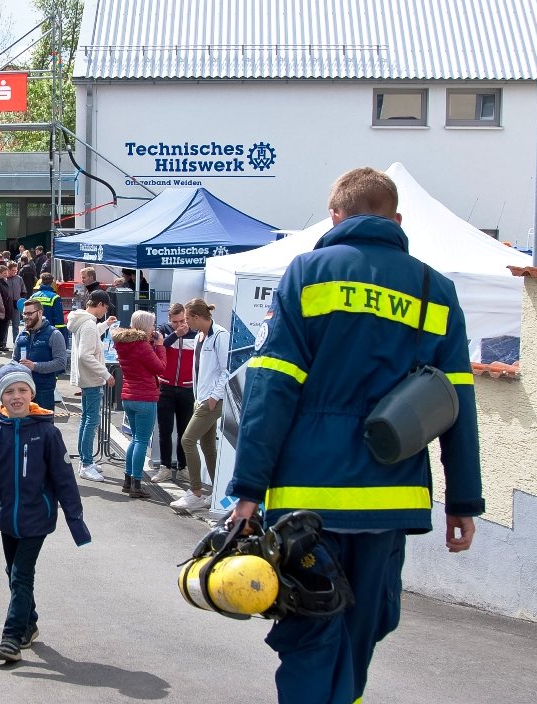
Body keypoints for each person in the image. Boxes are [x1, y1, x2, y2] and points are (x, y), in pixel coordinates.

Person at [227, 167, 483, 704]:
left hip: (307, 497)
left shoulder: (308, 274)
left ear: (336, 216)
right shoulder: (436, 289)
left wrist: (249, 486)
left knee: (309, 628)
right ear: (396, 219)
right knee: (362, 628)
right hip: (391, 495)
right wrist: (464, 499)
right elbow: (456, 402)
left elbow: (274, 387)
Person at [0, 363, 91, 664]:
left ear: (31, 394)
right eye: (9, 391)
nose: (16, 396)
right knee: (12, 573)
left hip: (38, 519)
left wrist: (76, 523)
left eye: (22, 390)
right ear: (0, 398)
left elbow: (64, 480)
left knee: (21, 575)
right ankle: (29, 622)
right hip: (7, 519)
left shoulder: (47, 433)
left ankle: (11, 637)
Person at [169, 299, 230, 511]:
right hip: (202, 398)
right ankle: (219, 491)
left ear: (196, 317)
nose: (184, 323)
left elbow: (227, 369)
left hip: (210, 399)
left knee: (187, 440)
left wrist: (214, 396)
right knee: (207, 447)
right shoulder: (200, 336)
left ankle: (195, 492)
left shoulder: (220, 336)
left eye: (187, 319)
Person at [111, 310, 165, 499]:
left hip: (128, 396)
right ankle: (136, 483)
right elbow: (160, 368)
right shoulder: (143, 346)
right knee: (141, 440)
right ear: (145, 326)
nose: (154, 328)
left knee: (134, 439)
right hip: (145, 398)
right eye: (152, 325)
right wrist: (160, 346)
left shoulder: (123, 343)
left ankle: (128, 480)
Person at [66, 293, 115, 482]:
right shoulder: (88, 323)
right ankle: (86, 463)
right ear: (100, 304)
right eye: (106, 307)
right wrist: (105, 373)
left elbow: (89, 338)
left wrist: (105, 325)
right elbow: (86, 354)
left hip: (87, 379)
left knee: (87, 420)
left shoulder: (84, 321)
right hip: (92, 379)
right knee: (90, 421)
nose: (106, 310)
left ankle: (85, 460)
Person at [152, 303, 197, 484]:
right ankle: (164, 466)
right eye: (175, 322)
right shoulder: (162, 331)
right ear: (169, 320)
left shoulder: (195, 333)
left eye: (182, 321)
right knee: (165, 429)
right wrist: (175, 335)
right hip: (166, 387)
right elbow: (157, 350)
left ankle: (183, 467)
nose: (179, 325)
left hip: (187, 388)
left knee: (184, 432)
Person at [11, 298, 67, 411]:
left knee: (44, 427)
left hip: (44, 391)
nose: (26, 317)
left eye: (30, 313)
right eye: (24, 313)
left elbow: (61, 363)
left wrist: (35, 366)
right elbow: (14, 360)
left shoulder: (54, 334)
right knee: (24, 427)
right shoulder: (21, 335)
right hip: (23, 390)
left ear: (40, 313)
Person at [30, 272, 68, 343]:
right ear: (52, 283)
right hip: (49, 332)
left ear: (41, 281)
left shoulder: (33, 296)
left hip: (35, 331)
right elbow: (59, 320)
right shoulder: (55, 297)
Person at [4, 260, 26, 345]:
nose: (15, 272)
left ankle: (16, 343)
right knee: (5, 326)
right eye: (13, 270)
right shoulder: (5, 279)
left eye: (16, 270)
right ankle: (3, 343)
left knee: (16, 326)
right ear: (8, 270)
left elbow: (23, 291)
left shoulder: (19, 279)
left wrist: (21, 301)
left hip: (16, 305)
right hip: (6, 305)